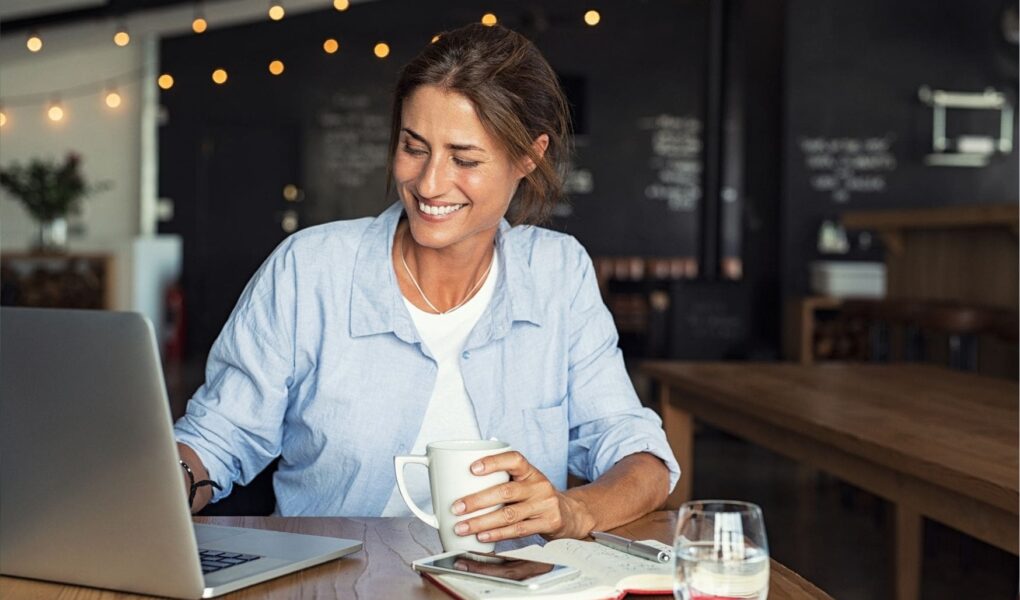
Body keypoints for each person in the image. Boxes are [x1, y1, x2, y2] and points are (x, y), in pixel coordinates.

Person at [174, 22, 679, 544]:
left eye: (464, 159)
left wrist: (574, 510)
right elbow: (218, 436)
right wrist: (165, 481)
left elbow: (640, 458)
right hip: (337, 583)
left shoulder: (557, 274)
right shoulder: (311, 268)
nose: (430, 183)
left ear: (529, 157)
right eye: (414, 148)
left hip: (514, 585)